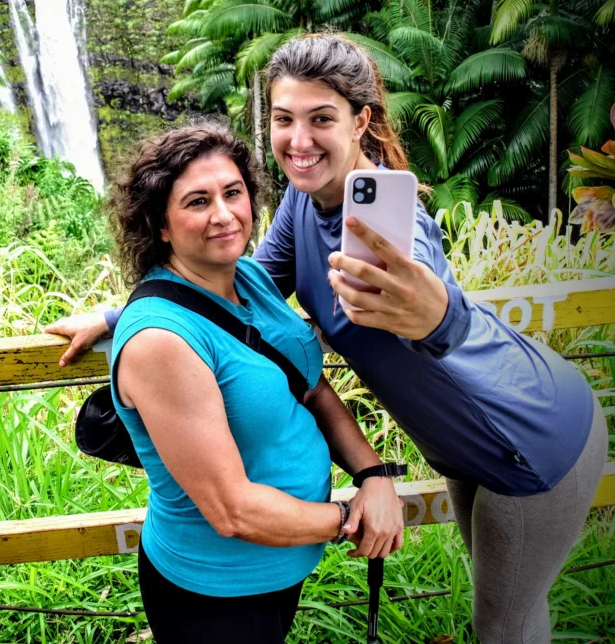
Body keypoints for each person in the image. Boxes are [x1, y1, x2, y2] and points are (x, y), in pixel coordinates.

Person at [48, 35, 608, 644]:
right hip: (466, 446)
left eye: (322, 119)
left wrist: (434, 314)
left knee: (504, 628)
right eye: (284, 119)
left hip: (532, 436)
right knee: (510, 611)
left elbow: (431, 304)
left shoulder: (396, 236)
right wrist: (117, 316)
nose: (299, 140)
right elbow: (235, 288)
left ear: (360, 120)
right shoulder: (302, 200)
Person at [99, 124, 403, 643]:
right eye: (197, 201)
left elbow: (309, 387)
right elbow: (232, 510)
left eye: (233, 193)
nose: (224, 214)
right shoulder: (160, 343)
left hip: (279, 567)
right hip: (216, 591)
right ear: (161, 226)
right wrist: (351, 515)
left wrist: (371, 473)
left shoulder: (248, 278)